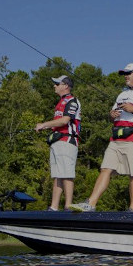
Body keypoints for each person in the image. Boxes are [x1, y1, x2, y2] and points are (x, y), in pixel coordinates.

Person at [71, 63, 133, 212]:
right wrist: (111, 115)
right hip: (116, 137)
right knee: (105, 169)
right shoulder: (122, 94)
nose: (126, 76)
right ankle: (90, 204)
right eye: (125, 73)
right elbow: (112, 115)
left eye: (129, 73)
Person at [33, 75, 82, 211]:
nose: (54, 86)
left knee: (67, 174)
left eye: (57, 83)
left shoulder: (72, 101)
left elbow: (64, 120)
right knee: (57, 175)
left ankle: (68, 206)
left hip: (67, 141)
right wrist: (47, 126)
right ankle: (53, 207)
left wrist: (44, 124)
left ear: (65, 86)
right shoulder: (60, 102)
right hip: (57, 141)